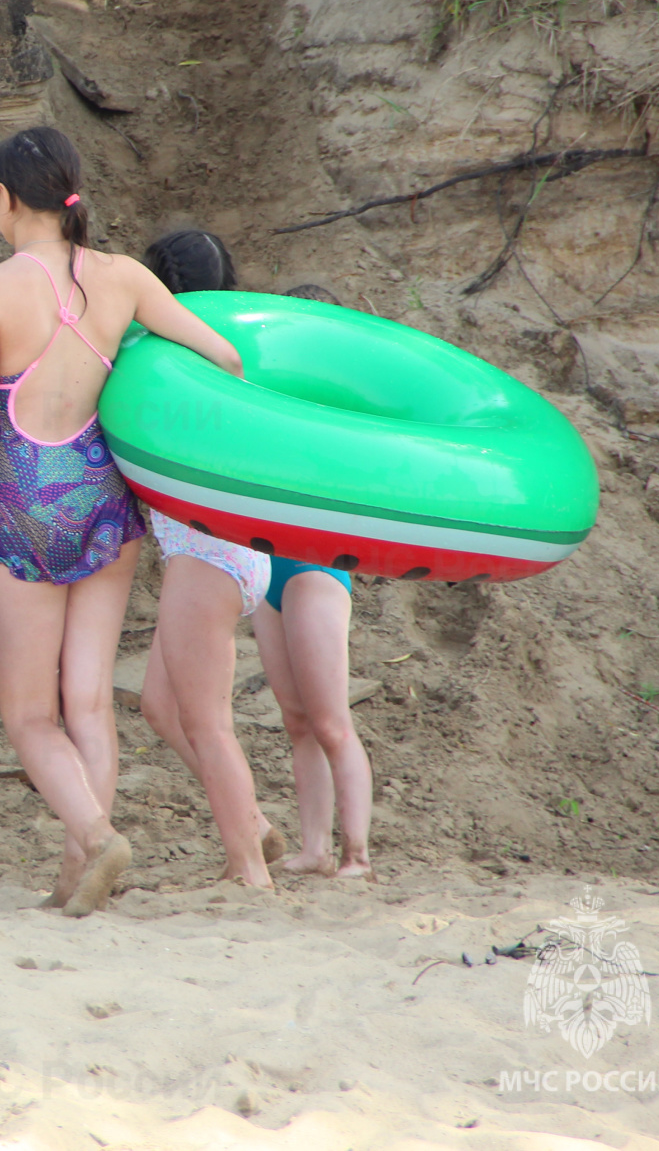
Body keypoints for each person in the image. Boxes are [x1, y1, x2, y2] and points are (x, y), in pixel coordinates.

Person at [0, 128, 242, 917]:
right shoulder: (122, 277)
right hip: (103, 504)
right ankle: (74, 873)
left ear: (4, 200)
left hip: (25, 510)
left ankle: (94, 836)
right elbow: (219, 356)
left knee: (30, 715)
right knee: (88, 702)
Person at [133, 229, 279, 888]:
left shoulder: (173, 359)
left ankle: (248, 867)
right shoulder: (237, 348)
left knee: (208, 722)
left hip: (203, 551)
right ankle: (256, 827)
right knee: (161, 707)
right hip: (234, 555)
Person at [252, 283, 374, 879]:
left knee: (329, 721)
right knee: (296, 719)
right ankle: (315, 849)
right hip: (265, 564)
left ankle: (357, 853)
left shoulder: (346, 410)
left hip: (317, 566)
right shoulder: (270, 397)